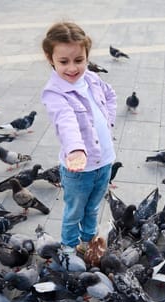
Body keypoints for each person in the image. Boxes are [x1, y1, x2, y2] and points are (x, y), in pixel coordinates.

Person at [41, 22, 116, 254]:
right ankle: (70, 246)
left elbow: (111, 95)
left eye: (79, 60)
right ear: (50, 58)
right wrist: (75, 149)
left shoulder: (92, 78)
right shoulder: (54, 92)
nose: (72, 68)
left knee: (93, 207)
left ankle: (88, 240)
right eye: (64, 62)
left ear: (87, 56)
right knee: (74, 210)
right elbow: (66, 121)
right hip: (78, 169)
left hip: (104, 161)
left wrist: (108, 122)